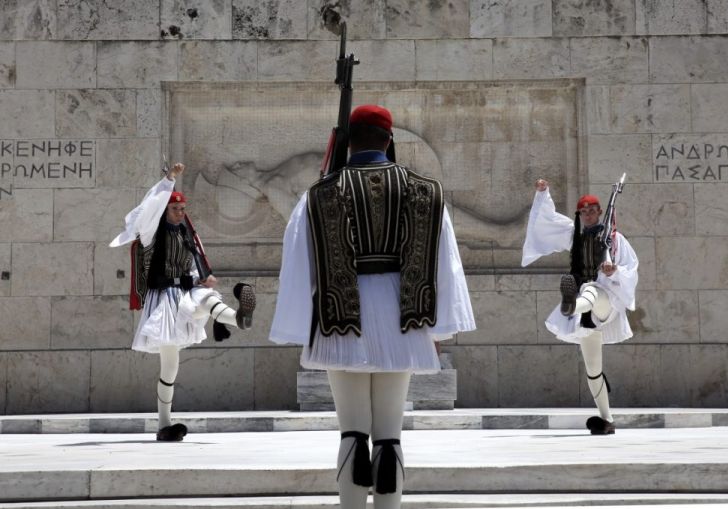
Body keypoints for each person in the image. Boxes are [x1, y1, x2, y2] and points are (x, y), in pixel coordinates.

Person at [269, 105, 475, 508]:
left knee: (352, 431)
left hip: (339, 317)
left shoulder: (320, 193)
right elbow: (443, 262)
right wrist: (440, 327)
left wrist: (298, 326)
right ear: (389, 139)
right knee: (389, 432)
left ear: (348, 139)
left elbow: (298, 262)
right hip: (404, 319)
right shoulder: (424, 190)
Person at [110, 162, 256, 442]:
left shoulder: (186, 235)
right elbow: (149, 208)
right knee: (170, 366)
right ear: (166, 210)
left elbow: (194, 263)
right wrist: (169, 180)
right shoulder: (153, 233)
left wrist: (203, 277)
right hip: (164, 300)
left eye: (183, 209)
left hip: (186, 292)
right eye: (175, 208)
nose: (180, 212)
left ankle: (238, 317)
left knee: (207, 299)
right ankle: (164, 424)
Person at [522, 178, 638, 435]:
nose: (587, 215)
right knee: (593, 368)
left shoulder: (615, 240)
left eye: (592, 210)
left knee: (590, 289)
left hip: (604, 302)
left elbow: (631, 269)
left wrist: (614, 269)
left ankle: (571, 306)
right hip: (585, 315)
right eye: (583, 211)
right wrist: (543, 193)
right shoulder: (572, 233)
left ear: (599, 212)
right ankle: (607, 420)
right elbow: (547, 220)